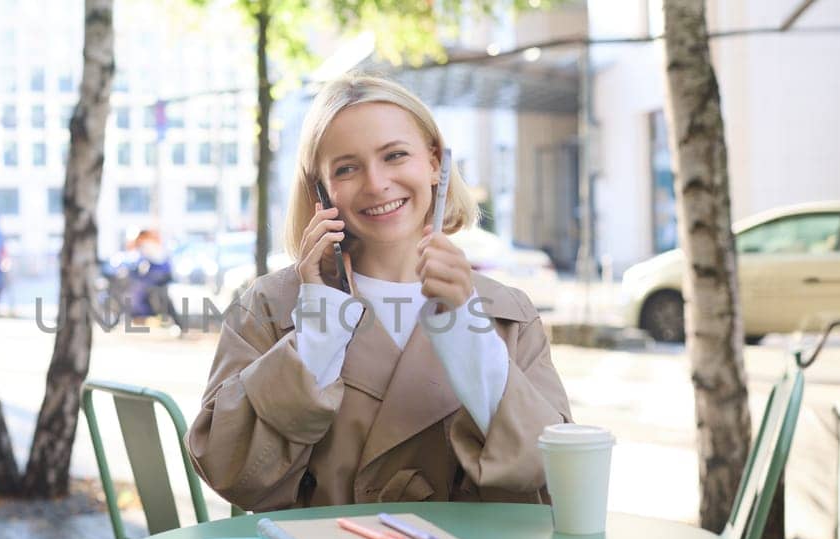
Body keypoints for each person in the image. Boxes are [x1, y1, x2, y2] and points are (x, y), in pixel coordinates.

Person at [188, 74, 572, 511]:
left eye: (395, 155)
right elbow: (229, 469)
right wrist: (319, 323)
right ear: (320, 190)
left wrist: (466, 328)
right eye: (347, 168)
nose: (376, 183)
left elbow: (553, 470)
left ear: (434, 163)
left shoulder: (509, 313)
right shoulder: (269, 307)